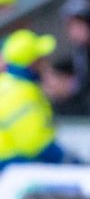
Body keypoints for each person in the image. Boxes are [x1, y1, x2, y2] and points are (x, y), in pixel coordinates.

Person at [0, 29, 70, 171]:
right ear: (31, 62)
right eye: (40, 58)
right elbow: (38, 144)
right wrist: (70, 161)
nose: (45, 63)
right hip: (11, 171)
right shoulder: (20, 92)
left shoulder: (10, 85)